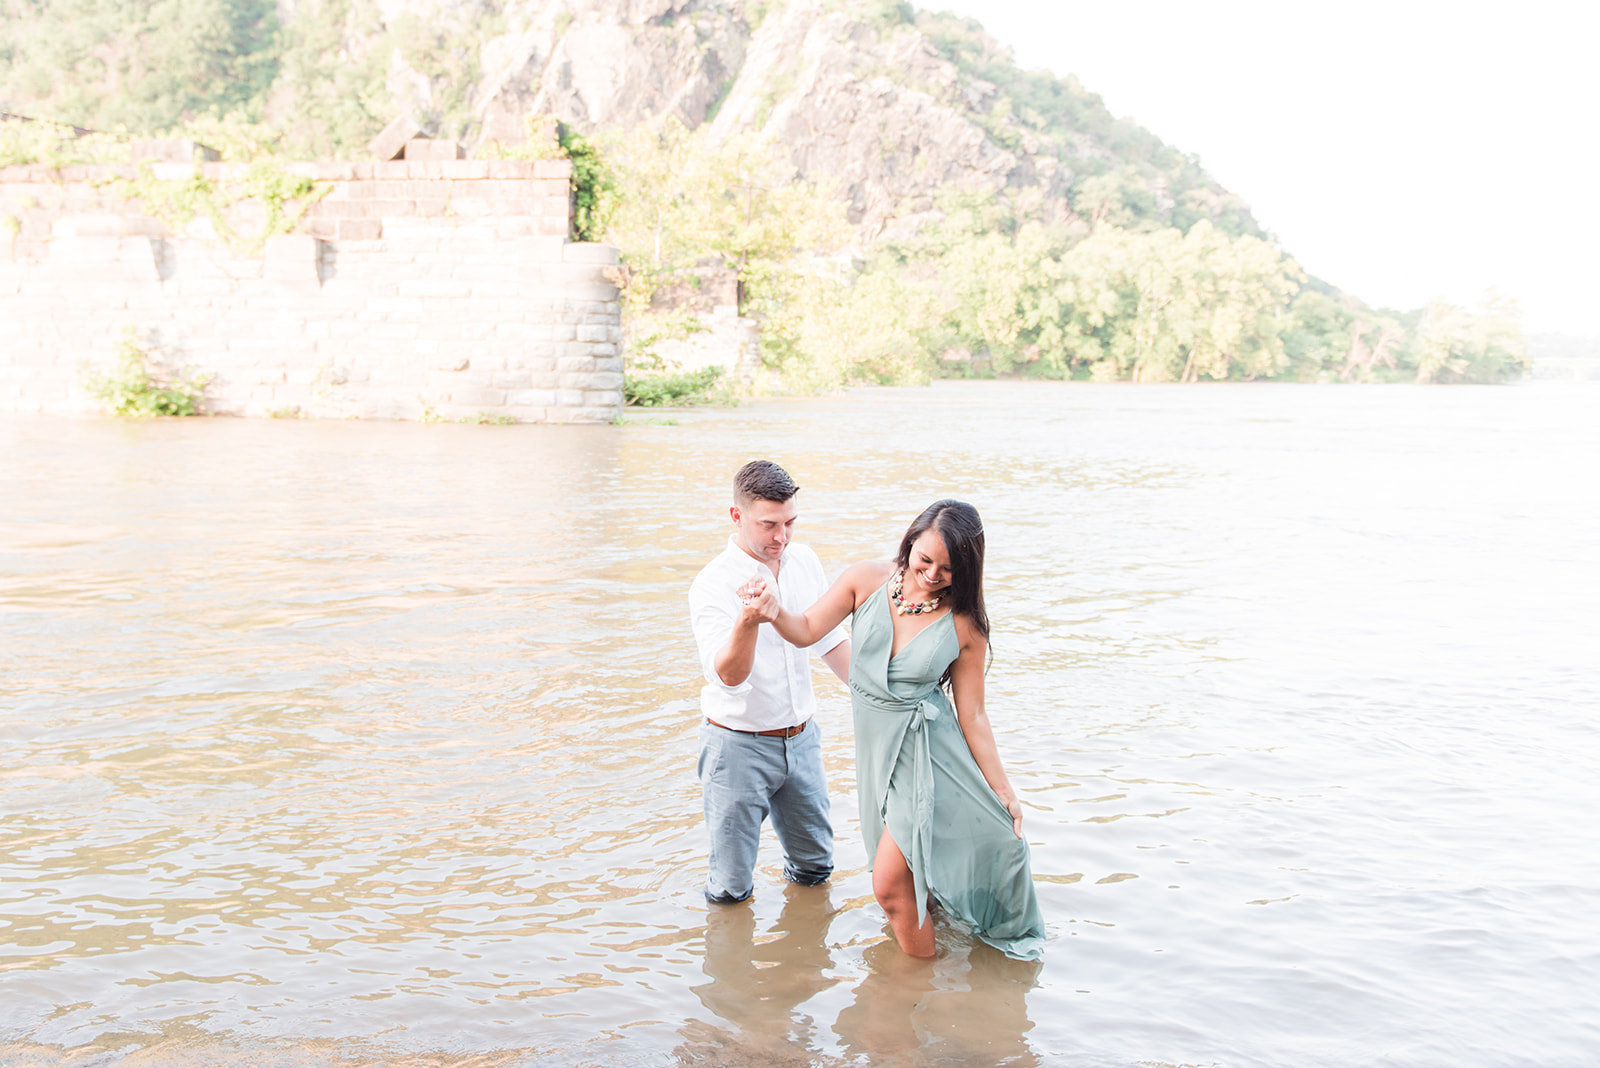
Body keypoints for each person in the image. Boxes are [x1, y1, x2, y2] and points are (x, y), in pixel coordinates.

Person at [752, 499, 1044, 960]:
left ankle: (915, 980)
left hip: (926, 756)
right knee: (906, 885)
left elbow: (973, 715)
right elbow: (806, 628)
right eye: (924, 559)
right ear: (910, 542)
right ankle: (927, 975)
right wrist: (772, 610)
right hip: (876, 753)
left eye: (948, 569)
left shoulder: (965, 624)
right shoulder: (865, 581)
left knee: (887, 885)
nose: (932, 575)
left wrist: (1003, 789)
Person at [688, 460, 851, 905]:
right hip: (737, 746)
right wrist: (748, 621)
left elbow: (828, 638)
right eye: (769, 525)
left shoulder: (805, 561)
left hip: (802, 740)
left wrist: (880, 694)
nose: (782, 537)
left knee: (815, 868)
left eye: (790, 522)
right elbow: (728, 676)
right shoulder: (711, 583)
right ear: (736, 516)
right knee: (730, 888)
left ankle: (806, 939)